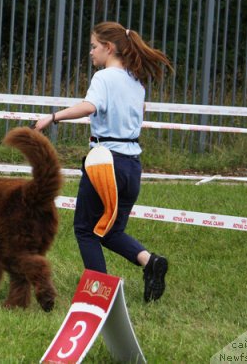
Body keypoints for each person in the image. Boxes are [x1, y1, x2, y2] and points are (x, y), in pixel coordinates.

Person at [34, 21, 172, 302]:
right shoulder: (136, 81)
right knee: (110, 229)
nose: (91, 52)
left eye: (94, 46)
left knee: (85, 229)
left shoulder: (104, 78)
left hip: (105, 163)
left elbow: (89, 107)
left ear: (108, 48)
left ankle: (99, 293)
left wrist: (53, 117)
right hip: (132, 165)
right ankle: (150, 262)